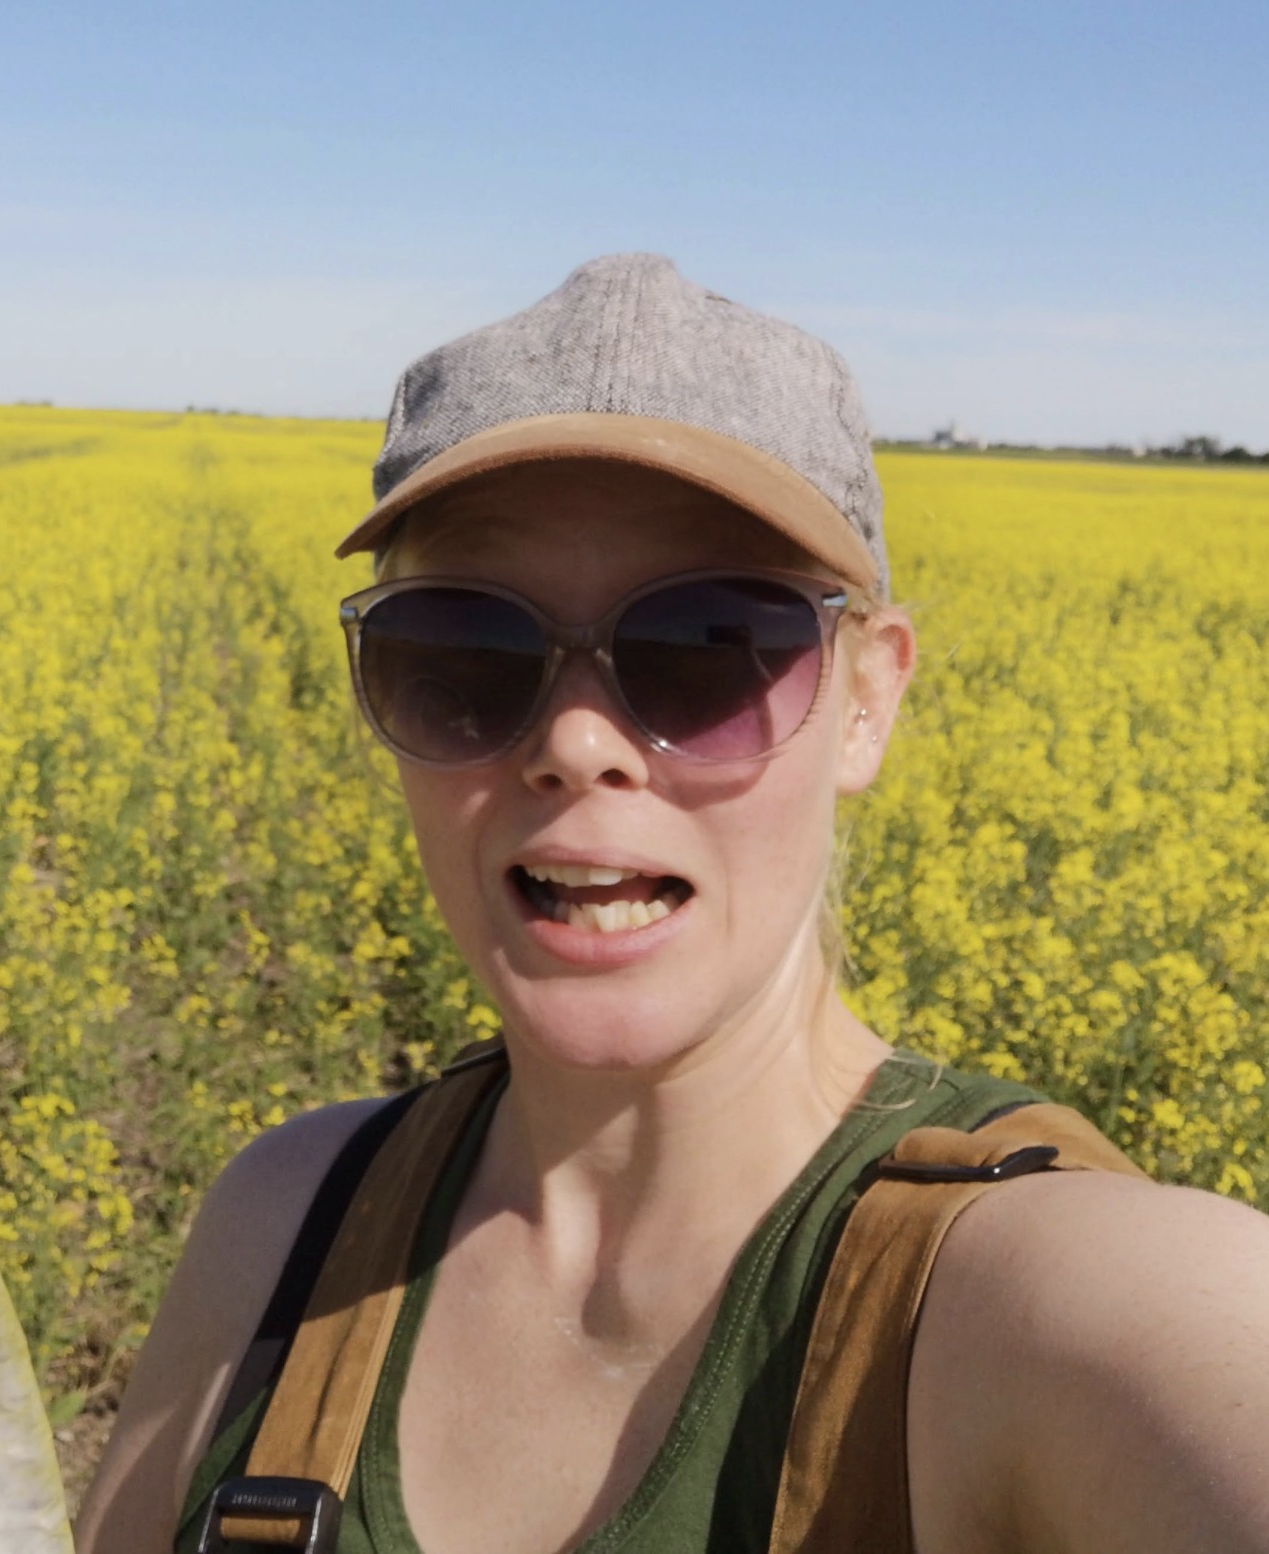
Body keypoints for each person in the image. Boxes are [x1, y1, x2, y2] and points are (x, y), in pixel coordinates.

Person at [77, 255, 1269, 1554]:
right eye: (463, 650)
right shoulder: (283, 1223)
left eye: (709, 647)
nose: (577, 742)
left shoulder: (1057, 1308)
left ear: (868, 697)